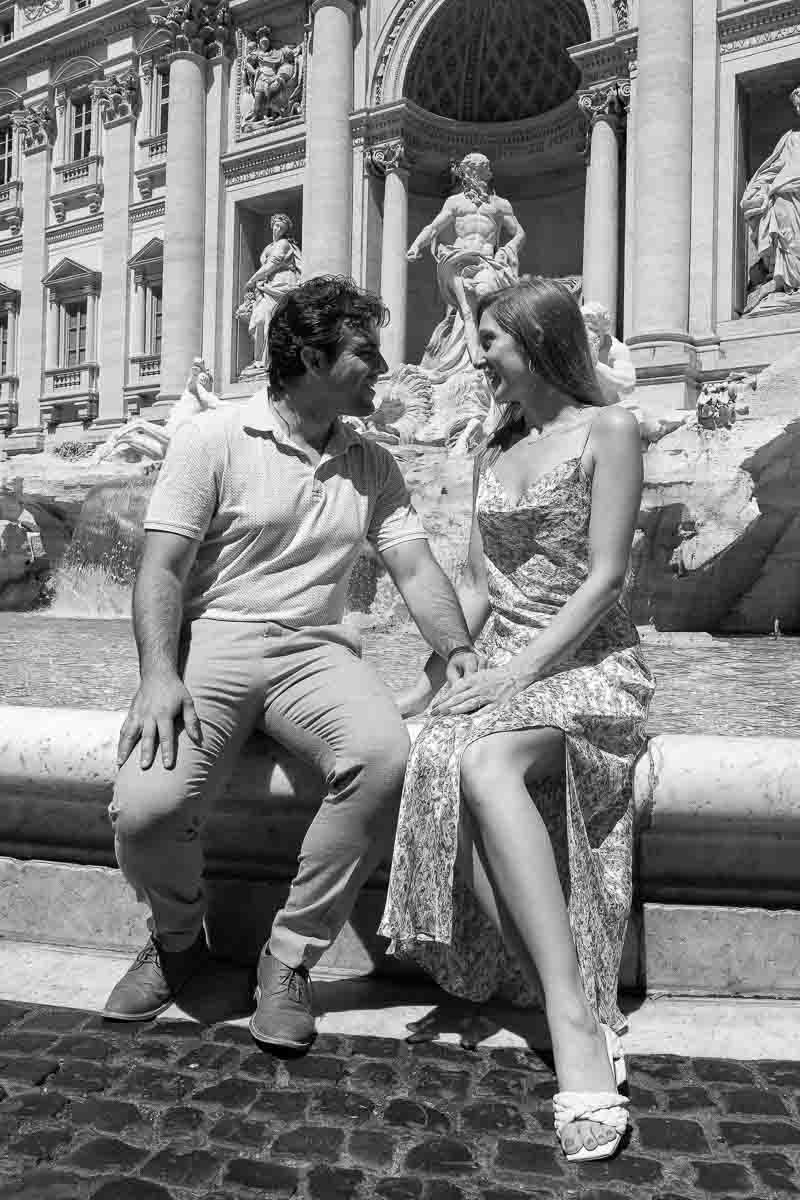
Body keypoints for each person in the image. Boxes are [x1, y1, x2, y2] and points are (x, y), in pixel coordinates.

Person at [103, 276, 479, 1053]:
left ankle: (290, 956)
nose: (382, 367)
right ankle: (178, 941)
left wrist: (460, 651)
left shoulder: (372, 463)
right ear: (308, 356)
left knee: (383, 757)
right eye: (364, 353)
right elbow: (162, 568)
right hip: (217, 640)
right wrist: (157, 675)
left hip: (317, 647)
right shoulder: (211, 439)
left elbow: (415, 568)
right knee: (144, 811)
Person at [380, 277, 655, 1163]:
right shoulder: (487, 447)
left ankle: (572, 1021)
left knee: (482, 763)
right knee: (440, 748)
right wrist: (448, 669)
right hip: (508, 665)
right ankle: (557, 992)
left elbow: (606, 577)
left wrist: (516, 672)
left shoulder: (608, 429)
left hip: (590, 664)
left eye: (491, 340)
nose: (479, 354)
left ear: (539, 341)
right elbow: (471, 583)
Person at [407, 152, 525, 376]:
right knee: (467, 312)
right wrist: (416, 245)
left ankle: (492, 352)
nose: (475, 176)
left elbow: (519, 233)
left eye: (480, 171)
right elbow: (433, 228)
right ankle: (475, 359)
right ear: (465, 174)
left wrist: (508, 249)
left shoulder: (500, 205)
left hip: (488, 261)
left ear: (487, 174)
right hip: (460, 259)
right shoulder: (455, 202)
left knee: (487, 299)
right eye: (471, 171)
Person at [243, 213, 303, 369]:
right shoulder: (269, 247)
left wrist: (253, 279)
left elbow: (272, 265)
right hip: (268, 285)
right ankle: (260, 360)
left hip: (282, 282)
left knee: (273, 320)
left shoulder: (283, 244)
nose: (277, 229)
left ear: (285, 231)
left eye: (281, 227)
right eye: (276, 225)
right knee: (260, 319)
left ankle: (271, 360)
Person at [581, 302, 636, 406]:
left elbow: (628, 384)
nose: (588, 334)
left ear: (604, 329)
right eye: (584, 329)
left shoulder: (615, 348)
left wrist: (595, 365)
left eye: (593, 329)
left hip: (611, 407)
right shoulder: (578, 348)